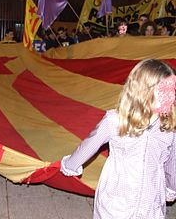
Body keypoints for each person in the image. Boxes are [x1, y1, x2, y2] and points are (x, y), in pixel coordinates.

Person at [61, 59, 176, 218]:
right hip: (117, 197)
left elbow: (172, 161)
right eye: (164, 91)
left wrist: (171, 187)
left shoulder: (169, 126)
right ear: (143, 90)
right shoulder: (114, 120)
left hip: (150, 199)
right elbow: (89, 145)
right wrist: (71, 164)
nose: (169, 97)